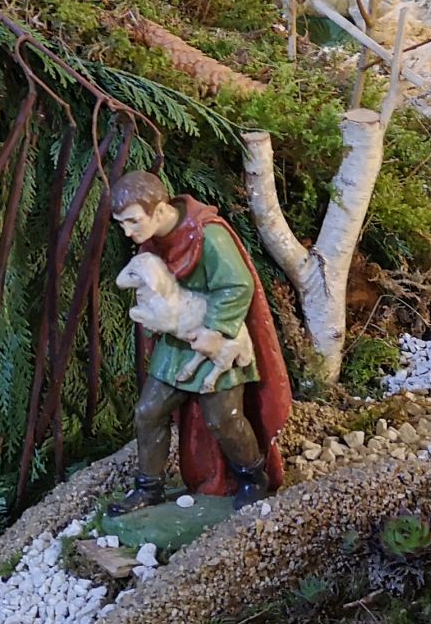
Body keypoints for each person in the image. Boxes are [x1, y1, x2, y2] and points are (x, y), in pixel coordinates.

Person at [105, 170, 291, 515]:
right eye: (122, 224)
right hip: (176, 346)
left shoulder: (208, 235)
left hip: (216, 340)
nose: (128, 232)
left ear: (160, 210)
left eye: (133, 221)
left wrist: (216, 328)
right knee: (148, 411)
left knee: (224, 418)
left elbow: (238, 285)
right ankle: (148, 487)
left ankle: (252, 478)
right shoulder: (152, 242)